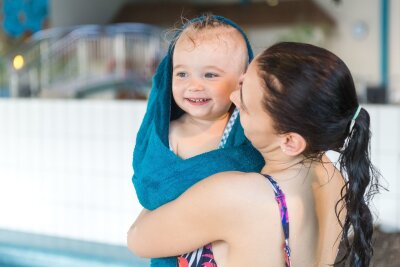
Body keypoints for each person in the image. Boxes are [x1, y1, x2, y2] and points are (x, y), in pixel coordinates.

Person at [128, 42, 380, 267]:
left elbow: (138, 238)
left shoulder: (237, 195)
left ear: (290, 141)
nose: (233, 98)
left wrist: (183, 167)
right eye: (242, 82)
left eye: (245, 105)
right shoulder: (334, 180)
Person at [132, 15, 264, 266]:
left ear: (242, 79)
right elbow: (150, 186)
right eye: (182, 74)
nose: (194, 86)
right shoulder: (167, 135)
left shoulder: (246, 137)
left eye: (210, 75)